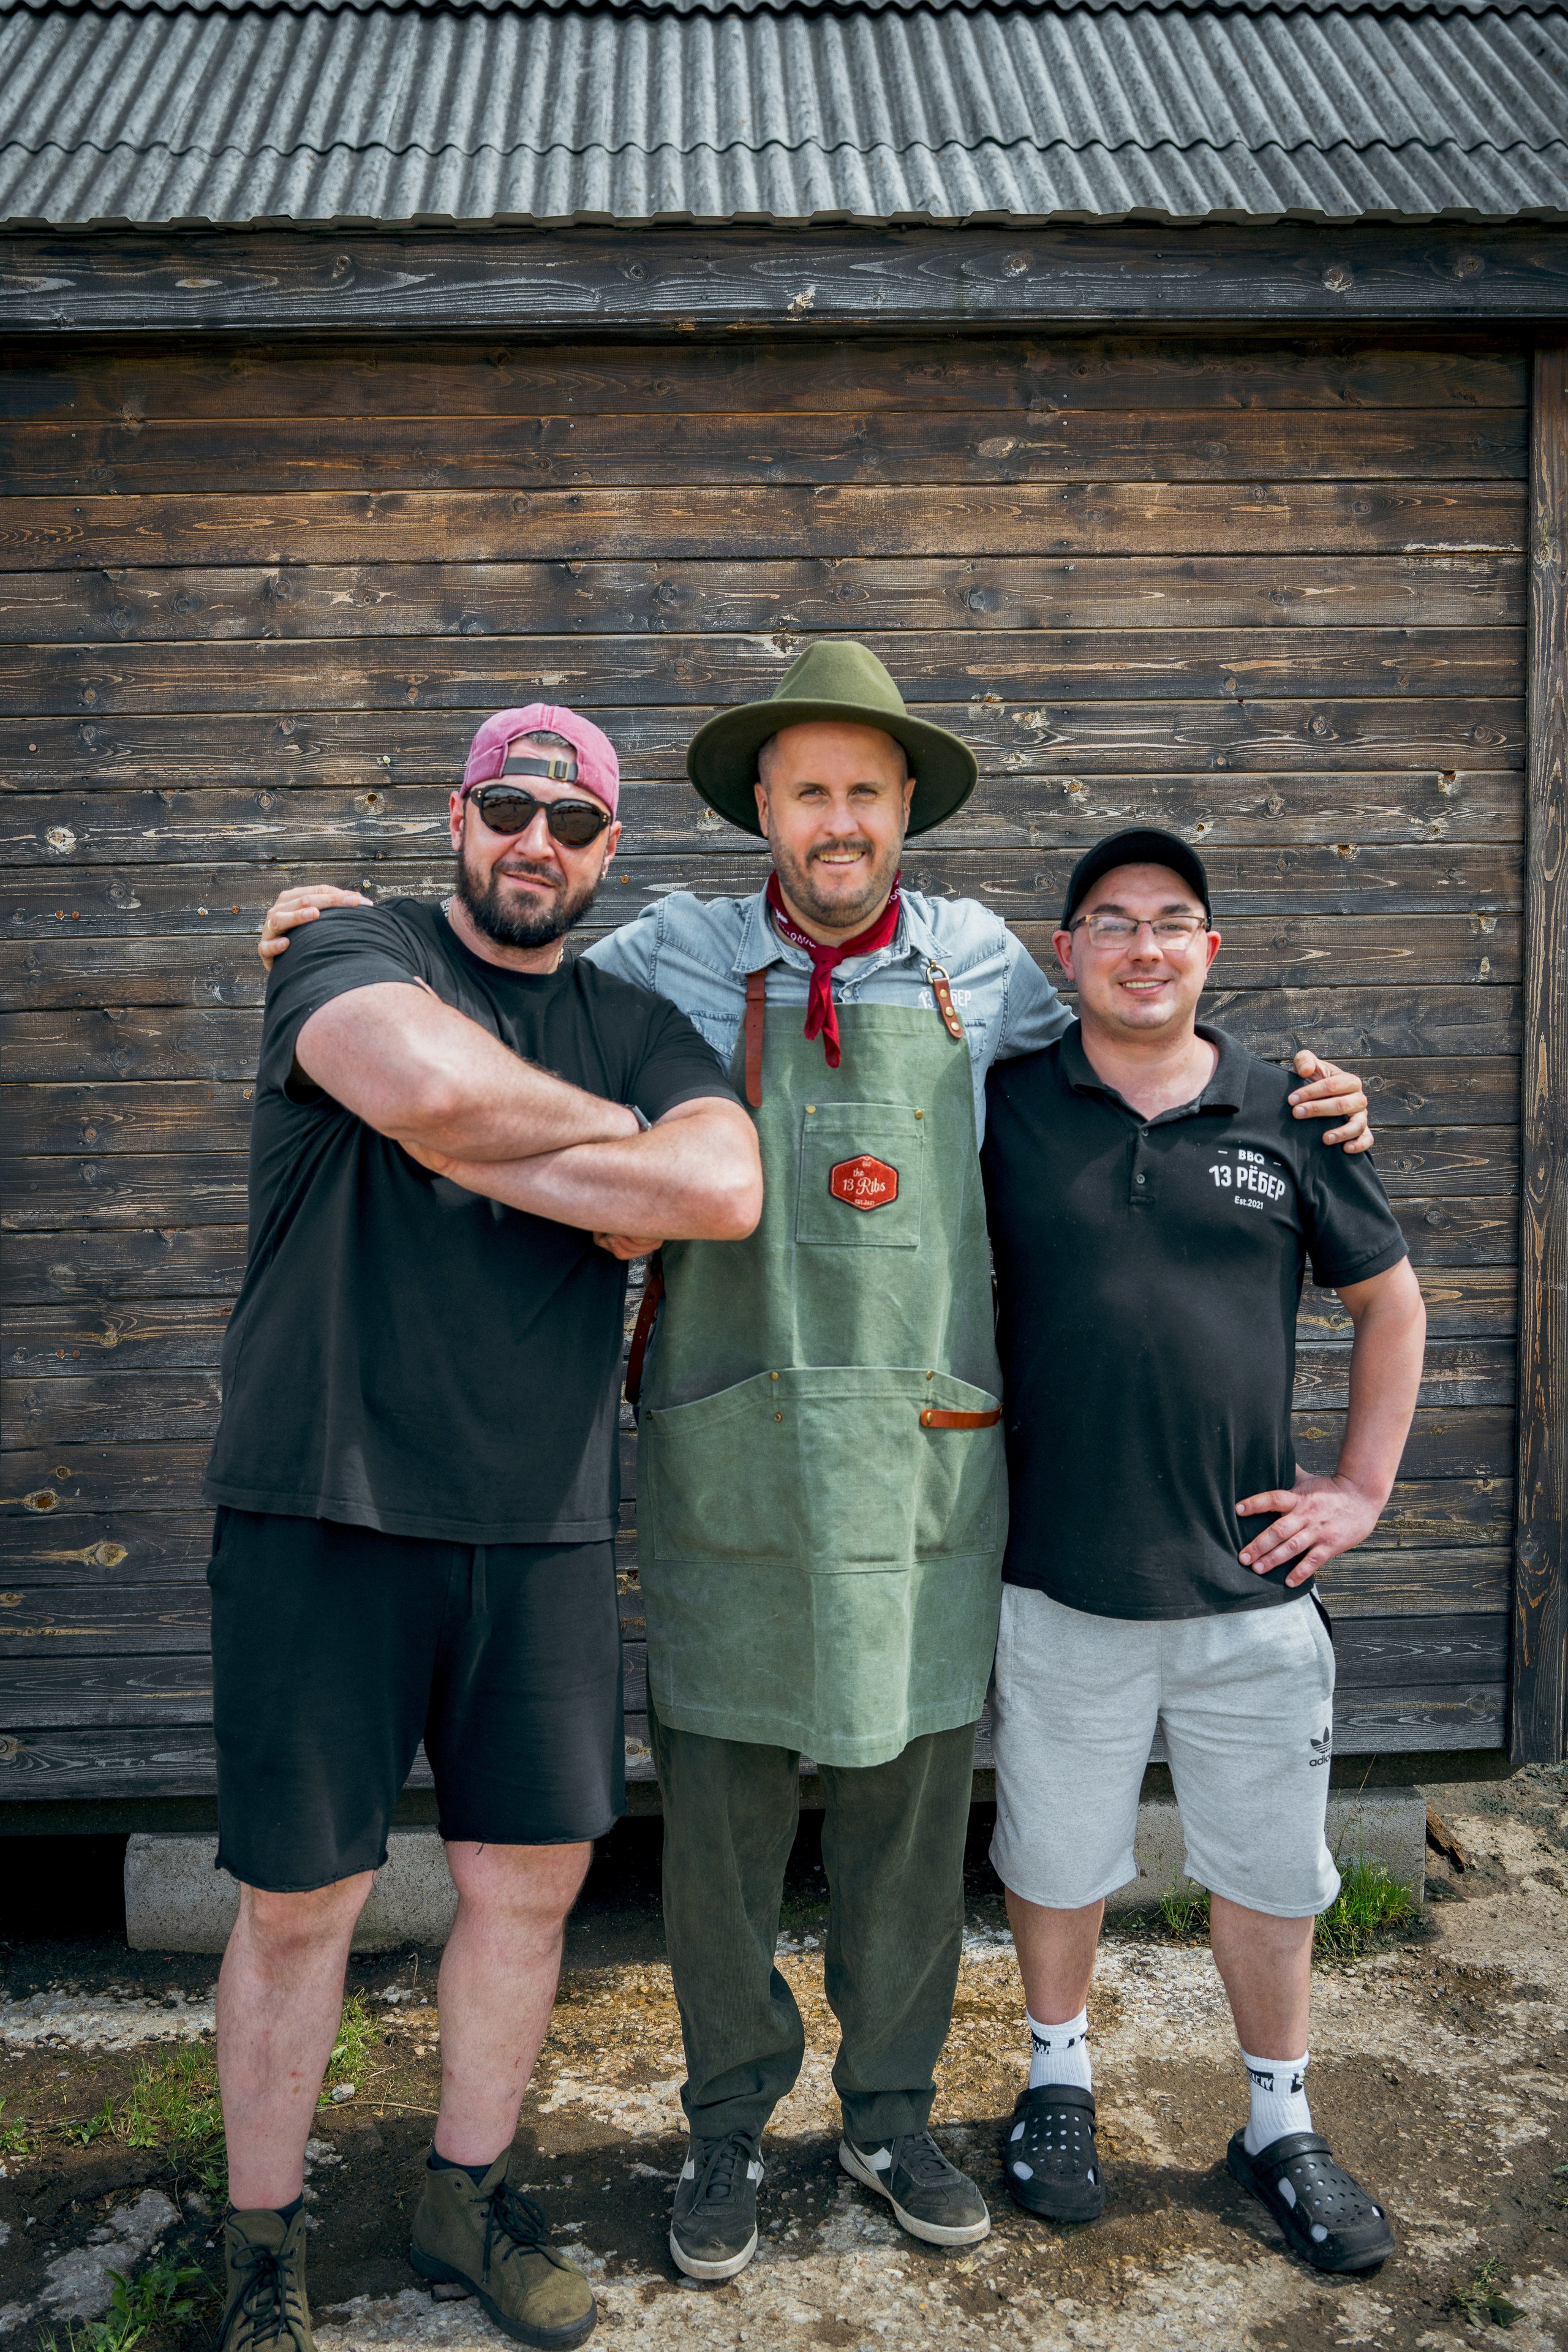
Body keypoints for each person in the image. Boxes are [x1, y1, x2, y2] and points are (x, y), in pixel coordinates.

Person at [257, 644, 1374, 2286]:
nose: (838, 822)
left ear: (903, 805)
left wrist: (1289, 1090)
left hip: (928, 1470)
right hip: (735, 1458)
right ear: (760, 809)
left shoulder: (990, 963)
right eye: (809, 792)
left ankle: (890, 2110)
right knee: (715, 1837)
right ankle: (726, 2126)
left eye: (866, 791)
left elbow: (1149, 1028)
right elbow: (506, 957)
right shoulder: (670, 954)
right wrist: (342, 921)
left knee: (912, 1829)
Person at [206, 704, 761, 2352]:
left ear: (610, 853)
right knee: (300, 1900)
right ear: (459, 815)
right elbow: (421, 1086)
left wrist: (524, 1142)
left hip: (541, 1530)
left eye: (571, 822)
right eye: (507, 806)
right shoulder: (346, 947)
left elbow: (725, 1190)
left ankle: (465, 2194)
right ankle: (257, 2240)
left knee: (528, 1888)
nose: (536, 840)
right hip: (324, 1501)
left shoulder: (637, 1014)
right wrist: (612, 1169)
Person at [980, 825, 1425, 2276]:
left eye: (1171, 921)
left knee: (1272, 1871)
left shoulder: (1290, 1111)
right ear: (1067, 955)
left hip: (1250, 1586)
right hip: (1058, 1575)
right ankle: (1055, 2084)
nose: (1142, 946)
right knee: (1054, 1855)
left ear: (1208, 951)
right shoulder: (1003, 1105)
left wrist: (1356, 1493)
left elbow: (1390, 1307)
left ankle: (1276, 2122)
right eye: (1108, 922)